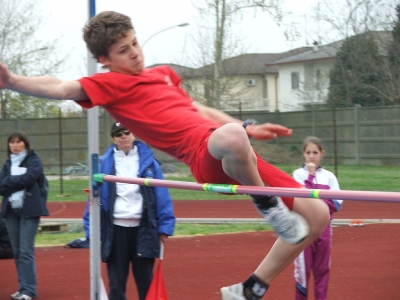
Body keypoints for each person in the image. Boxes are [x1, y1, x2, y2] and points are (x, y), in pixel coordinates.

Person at [0, 11, 329, 300]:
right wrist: (12, 81)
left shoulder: (164, 74)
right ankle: (268, 206)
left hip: (231, 149)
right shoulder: (109, 84)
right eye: (123, 50)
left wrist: (246, 128)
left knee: (317, 215)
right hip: (203, 155)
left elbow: (199, 109)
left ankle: (249, 289)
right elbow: (59, 87)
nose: (135, 54)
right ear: (106, 59)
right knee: (232, 137)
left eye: (135, 44)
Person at [99, 122, 175, 300]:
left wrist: (165, 226)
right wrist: (91, 229)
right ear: (113, 139)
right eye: (118, 134)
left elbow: (161, 194)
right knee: (116, 284)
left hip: (143, 229)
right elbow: (94, 198)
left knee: (145, 281)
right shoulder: (104, 163)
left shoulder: (148, 162)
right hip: (116, 229)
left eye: (127, 132)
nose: (123, 136)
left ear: (134, 134)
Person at [292, 136, 343, 300]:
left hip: (324, 230)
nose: (311, 156)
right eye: (308, 152)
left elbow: (336, 205)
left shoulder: (329, 177)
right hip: (304, 230)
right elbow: (301, 200)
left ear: (322, 153)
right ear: (303, 154)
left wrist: (317, 204)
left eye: (315, 152)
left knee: (322, 271)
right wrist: (311, 176)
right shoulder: (298, 175)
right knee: (302, 272)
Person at [0, 131, 49, 300]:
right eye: (12, 142)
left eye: (18, 142)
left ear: (25, 144)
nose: (15, 145)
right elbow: (1, 186)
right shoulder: (7, 164)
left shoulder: (34, 160)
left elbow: (30, 178)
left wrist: (10, 181)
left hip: (29, 210)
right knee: (17, 251)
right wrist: (15, 181)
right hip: (11, 211)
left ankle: (29, 290)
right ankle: (22, 287)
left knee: (26, 250)